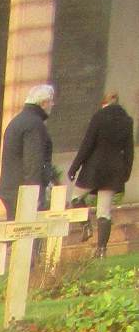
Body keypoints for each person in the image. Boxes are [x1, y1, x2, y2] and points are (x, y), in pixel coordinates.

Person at [69, 90, 134, 257]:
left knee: (76, 198)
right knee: (104, 211)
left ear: (103, 103)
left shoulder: (99, 117)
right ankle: (102, 250)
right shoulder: (127, 120)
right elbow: (129, 150)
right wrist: (126, 172)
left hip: (94, 168)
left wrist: (74, 167)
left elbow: (87, 144)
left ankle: (86, 226)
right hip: (114, 171)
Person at [0, 84, 56, 217]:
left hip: (11, 188)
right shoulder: (34, 125)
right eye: (50, 101)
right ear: (43, 103)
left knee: (15, 227)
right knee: (27, 228)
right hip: (23, 192)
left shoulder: (19, 120)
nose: (52, 104)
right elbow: (33, 161)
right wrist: (34, 194)